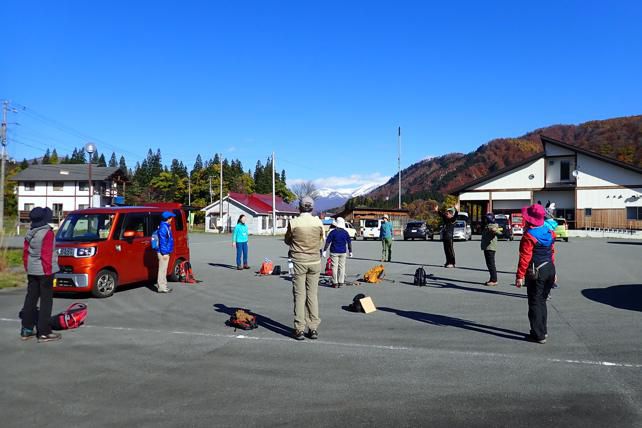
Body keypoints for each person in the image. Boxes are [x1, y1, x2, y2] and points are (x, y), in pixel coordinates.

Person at [284, 196, 325, 341]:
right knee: (312, 295)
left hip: (299, 260)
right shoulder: (318, 222)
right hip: (315, 260)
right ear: (312, 208)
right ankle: (313, 328)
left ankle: (299, 329)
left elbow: (288, 240)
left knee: (299, 295)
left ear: (300, 207)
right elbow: (322, 239)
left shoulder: (294, 222)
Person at [515, 204, 557, 344]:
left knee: (534, 302)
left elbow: (525, 257)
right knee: (542, 301)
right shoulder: (549, 231)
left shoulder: (529, 235)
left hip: (537, 270)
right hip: (549, 269)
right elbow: (551, 252)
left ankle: (537, 334)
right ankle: (542, 330)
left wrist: (520, 276)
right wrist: (554, 271)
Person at [20, 207, 61, 342]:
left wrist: (28, 267)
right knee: (46, 301)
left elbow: (26, 253)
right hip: (45, 271)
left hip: (32, 270)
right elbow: (46, 254)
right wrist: (49, 271)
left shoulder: (30, 231)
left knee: (30, 298)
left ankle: (26, 329)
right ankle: (44, 332)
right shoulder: (47, 233)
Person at [323, 217, 353, 288]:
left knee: (334, 267)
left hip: (334, 251)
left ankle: (335, 282)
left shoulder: (333, 232)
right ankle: (341, 282)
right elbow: (349, 242)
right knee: (342, 267)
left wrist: (324, 250)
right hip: (343, 252)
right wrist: (350, 251)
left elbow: (328, 242)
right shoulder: (345, 232)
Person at [156, 211, 175, 293]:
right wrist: (165, 252)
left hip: (165, 251)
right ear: (168, 218)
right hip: (163, 252)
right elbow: (162, 241)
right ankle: (161, 287)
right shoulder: (164, 227)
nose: (172, 219)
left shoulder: (166, 226)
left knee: (164, 270)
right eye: (171, 218)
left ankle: (164, 286)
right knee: (162, 270)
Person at [480, 213, 501, 286]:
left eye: (486, 218)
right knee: (489, 264)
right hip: (487, 247)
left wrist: (495, 230)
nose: (485, 220)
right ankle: (492, 279)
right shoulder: (488, 226)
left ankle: (494, 280)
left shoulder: (492, 226)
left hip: (490, 248)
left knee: (491, 264)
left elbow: (498, 233)